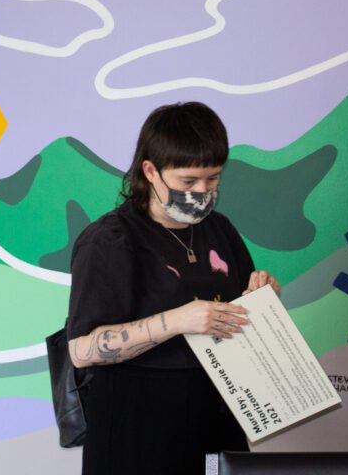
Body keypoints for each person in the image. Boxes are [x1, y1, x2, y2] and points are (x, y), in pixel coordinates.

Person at [67, 102, 281, 475]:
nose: (203, 192)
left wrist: (259, 300)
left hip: (218, 416)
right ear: (150, 171)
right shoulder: (111, 240)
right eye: (188, 181)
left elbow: (235, 316)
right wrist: (178, 320)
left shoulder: (220, 229)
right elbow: (82, 350)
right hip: (138, 428)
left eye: (212, 179)